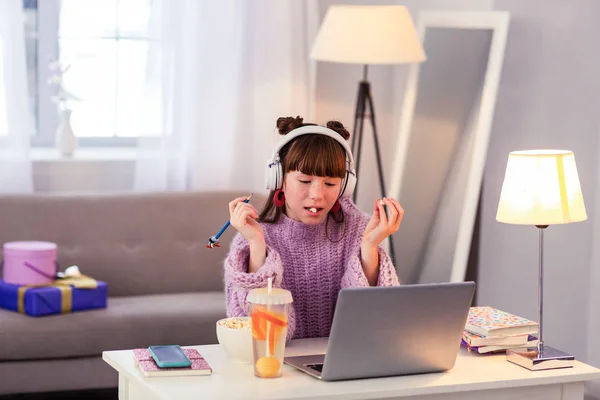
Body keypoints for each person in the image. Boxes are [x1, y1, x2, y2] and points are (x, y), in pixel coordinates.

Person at [223, 116, 403, 340]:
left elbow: (375, 323)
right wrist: (258, 246)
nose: (318, 195)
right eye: (305, 181)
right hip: (280, 365)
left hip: (345, 359)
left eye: (330, 184)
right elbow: (264, 336)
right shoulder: (253, 237)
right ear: (278, 179)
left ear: (345, 186)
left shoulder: (359, 229)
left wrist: (370, 246)